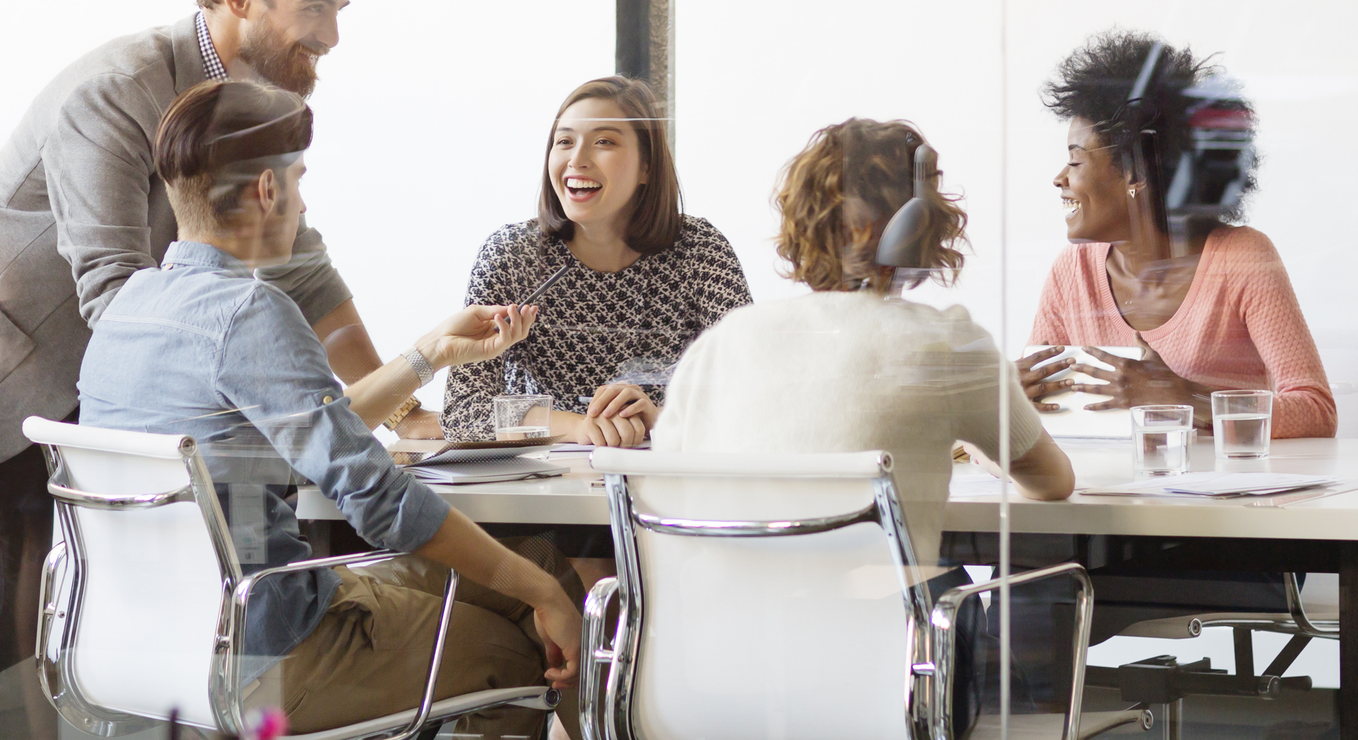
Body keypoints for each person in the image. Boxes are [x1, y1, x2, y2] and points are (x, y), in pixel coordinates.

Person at [0, 0, 429, 716]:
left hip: (41, 393)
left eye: (338, 8)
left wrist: (407, 411)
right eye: (316, 7)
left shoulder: (248, 105)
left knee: (8, 625)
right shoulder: (117, 91)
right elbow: (114, 295)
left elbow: (307, 268)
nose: (331, 35)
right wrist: (244, 381)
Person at [79, 80, 583, 739]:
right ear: (267, 190)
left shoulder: (130, 309)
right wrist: (542, 599)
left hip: (138, 649)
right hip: (269, 652)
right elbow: (379, 499)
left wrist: (429, 353)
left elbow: (313, 427)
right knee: (531, 638)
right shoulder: (249, 312)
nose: (303, 201)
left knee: (536, 562)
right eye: (300, 180)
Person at [653, 118, 1074, 739]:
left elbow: (670, 492)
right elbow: (1052, 482)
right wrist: (973, 444)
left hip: (715, 680)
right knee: (972, 595)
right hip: (883, 685)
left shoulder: (719, 345)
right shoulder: (948, 341)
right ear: (916, 226)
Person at [1016, 30, 1333, 435]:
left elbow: (1316, 410)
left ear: (1134, 170)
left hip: (1226, 494)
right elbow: (1046, 409)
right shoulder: (1071, 271)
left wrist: (1182, 395)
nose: (1059, 179)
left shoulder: (1241, 258)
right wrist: (1010, 399)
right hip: (1109, 493)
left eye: (1075, 163)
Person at [441, 76, 752, 446]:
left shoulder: (700, 250)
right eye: (565, 142)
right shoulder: (511, 254)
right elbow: (461, 410)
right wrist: (576, 426)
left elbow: (751, 394)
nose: (577, 159)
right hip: (538, 485)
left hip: (667, 477)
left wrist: (663, 419)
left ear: (646, 168)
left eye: (603, 142)